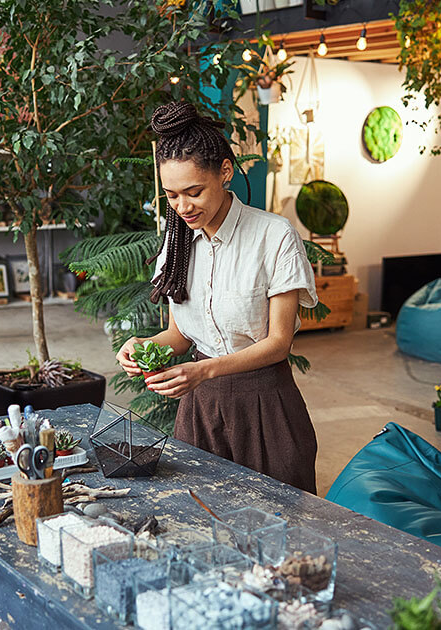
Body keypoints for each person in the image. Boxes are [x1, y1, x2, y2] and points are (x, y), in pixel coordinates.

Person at [115, 101, 320, 493]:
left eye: (194, 192)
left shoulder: (274, 237)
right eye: (172, 195)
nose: (183, 207)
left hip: (266, 407)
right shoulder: (177, 245)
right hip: (200, 411)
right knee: (201, 513)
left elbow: (279, 343)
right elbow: (180, 336)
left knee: (282, 518)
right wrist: (143, 346)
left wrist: (203, 371)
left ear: (225, 172)